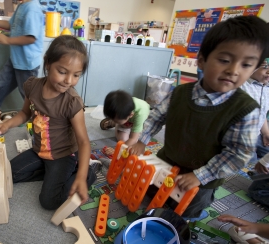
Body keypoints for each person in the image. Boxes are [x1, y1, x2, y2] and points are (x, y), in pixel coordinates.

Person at [132, 16, 269, 218]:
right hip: (168, 161)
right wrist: (142, 140)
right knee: (148, 193)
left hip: (204, 176)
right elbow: (157, 117)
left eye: (246, 65)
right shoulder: (180, 92)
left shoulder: (247, 110)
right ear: (202, 61)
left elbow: (238, 154)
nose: (233, 70)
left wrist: (200, 176)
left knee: (186, 210)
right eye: (224, 60)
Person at [0, 35, 97, 210]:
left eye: (76, 75)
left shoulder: (72, 102)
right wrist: (5, 125)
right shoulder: (32, 86)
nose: (68, 80)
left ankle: (87, 173)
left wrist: (80, 177)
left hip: (62, 156)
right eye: (63, 72)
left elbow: (83, 142)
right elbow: (25, 113)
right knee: (7, 174)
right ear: (48, 63)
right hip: (39, 150)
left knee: (49, 201)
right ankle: (53, 175)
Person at [0, 1, 43, 110]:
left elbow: (31, 38)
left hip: (26, 64)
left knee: (30, 99)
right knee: (0, 86)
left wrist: (7, 40)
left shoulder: (32, 8)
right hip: (15, 60)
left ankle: (41, 123)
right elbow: (10, 25)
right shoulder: (22, 5)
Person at [99, 90, 150, 155]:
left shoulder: (141, 115)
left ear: (130, 115)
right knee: (123, 139)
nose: (115, 120)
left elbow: (133, 138)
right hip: (126, 119)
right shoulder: (122, 108)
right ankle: (112, 123)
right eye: (112, 119)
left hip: (137, 121)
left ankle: (114, 123)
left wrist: (116, 150)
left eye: (116, 121)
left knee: (134, 143)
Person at [241, 58, 269, 159]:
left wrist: (266, 132)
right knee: (250, 164)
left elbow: (262, 113)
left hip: (258, 134)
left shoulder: (266, 88)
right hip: (243, 138)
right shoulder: (242, 86)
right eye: (265, 67)